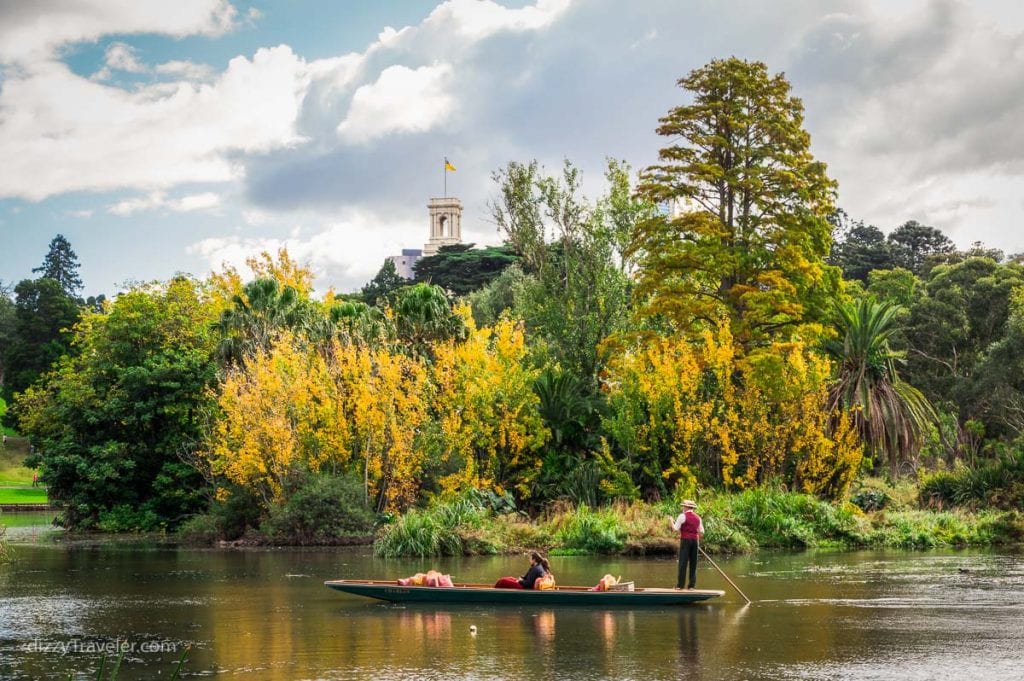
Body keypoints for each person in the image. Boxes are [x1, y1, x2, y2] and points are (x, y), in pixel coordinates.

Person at [669, 499, 704, 589]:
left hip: (685, 540)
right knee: (693, 563)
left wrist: (671, 520)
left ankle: (680, 586)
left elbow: (675, 529)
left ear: (687, 507)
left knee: (683, 563)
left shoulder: (682, 516)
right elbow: (702, 531)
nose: (682, 507)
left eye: (683, 506)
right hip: (695, 541)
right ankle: (691, 586)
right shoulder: (698, 518)